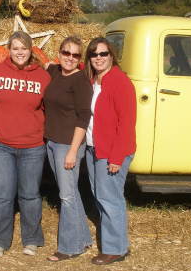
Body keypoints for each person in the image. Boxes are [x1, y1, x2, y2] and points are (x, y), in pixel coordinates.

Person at [0, 31, 51, 257]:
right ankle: (0, 241)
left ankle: (31, 239)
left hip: (32, 145)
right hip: (1, 145)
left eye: (24, 48)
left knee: (30, 194)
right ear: (9, 50)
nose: (20, 52)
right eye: (15, 48)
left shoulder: (43, 77)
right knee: (2, 195)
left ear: (31, 50)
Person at [84, 37, 136, 265]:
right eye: (94, 54)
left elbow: (126, 123)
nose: (99, 58)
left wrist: (116, 157)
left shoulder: (120, 82)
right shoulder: (94, 81)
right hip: (93, 148)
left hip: (112, 151)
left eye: (103, 54)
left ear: (111, 56)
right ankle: (115, 243)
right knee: (101, 197)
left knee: (110, 199)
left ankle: (115, 249)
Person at [43, 36, 93, 261]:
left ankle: (69, 247)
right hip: (52, 142)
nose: (70, 58)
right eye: (66, 53)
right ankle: (83, 239)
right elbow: (44, 63)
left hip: (68, 145)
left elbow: (84, 118)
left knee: (66, 196)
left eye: (75, 55)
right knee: (71, 192)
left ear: (80, 58)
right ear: (59, 53)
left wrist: (73, 150)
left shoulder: (80, 81)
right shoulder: (55, 72)